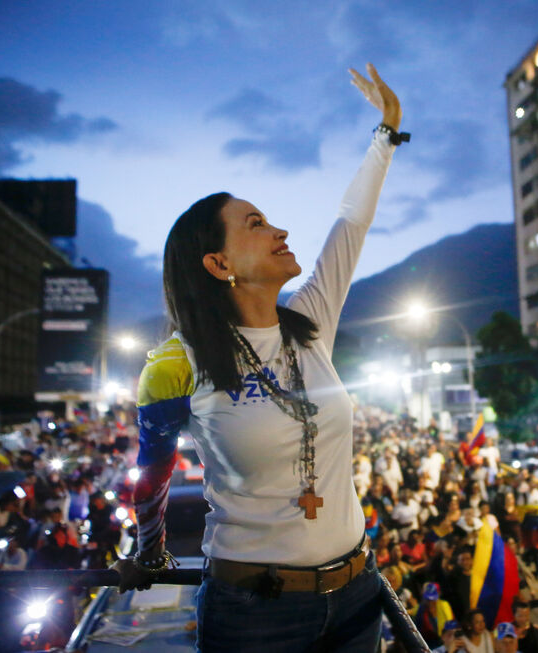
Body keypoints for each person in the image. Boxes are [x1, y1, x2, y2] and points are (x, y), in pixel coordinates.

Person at [113, 63, 405, 653]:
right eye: (255, 224)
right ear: (219, 265)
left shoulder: (311, 325)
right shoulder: (176, 364)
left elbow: (351, 224)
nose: (278, 230)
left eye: (269, 219)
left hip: (355, 592)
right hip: (254, 612)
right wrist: (149, 552)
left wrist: (386, 132)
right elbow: (151, 475)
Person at [416, 582, 456, 649]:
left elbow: (452, 625)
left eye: (433, 599)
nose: (431, 602)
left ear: (439, 594)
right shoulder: (420, 611)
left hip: (447, 643)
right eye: (428, 599)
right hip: (430, 646)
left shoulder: (445, 606)